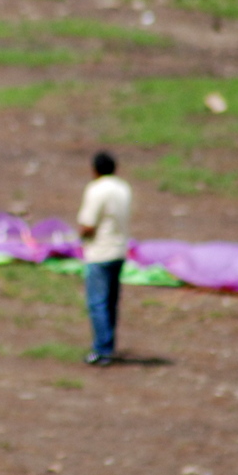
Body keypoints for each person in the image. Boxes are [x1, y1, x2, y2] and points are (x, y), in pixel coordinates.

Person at [77, 150, 132, 366]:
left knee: (97, 303)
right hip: (119, 250)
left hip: (100, 252)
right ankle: (109, 344)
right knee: (111, 302)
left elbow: (88, 224)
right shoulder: (123, 188)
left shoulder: (96, 189)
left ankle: (102, 349)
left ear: (95, 170)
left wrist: (80, 237)